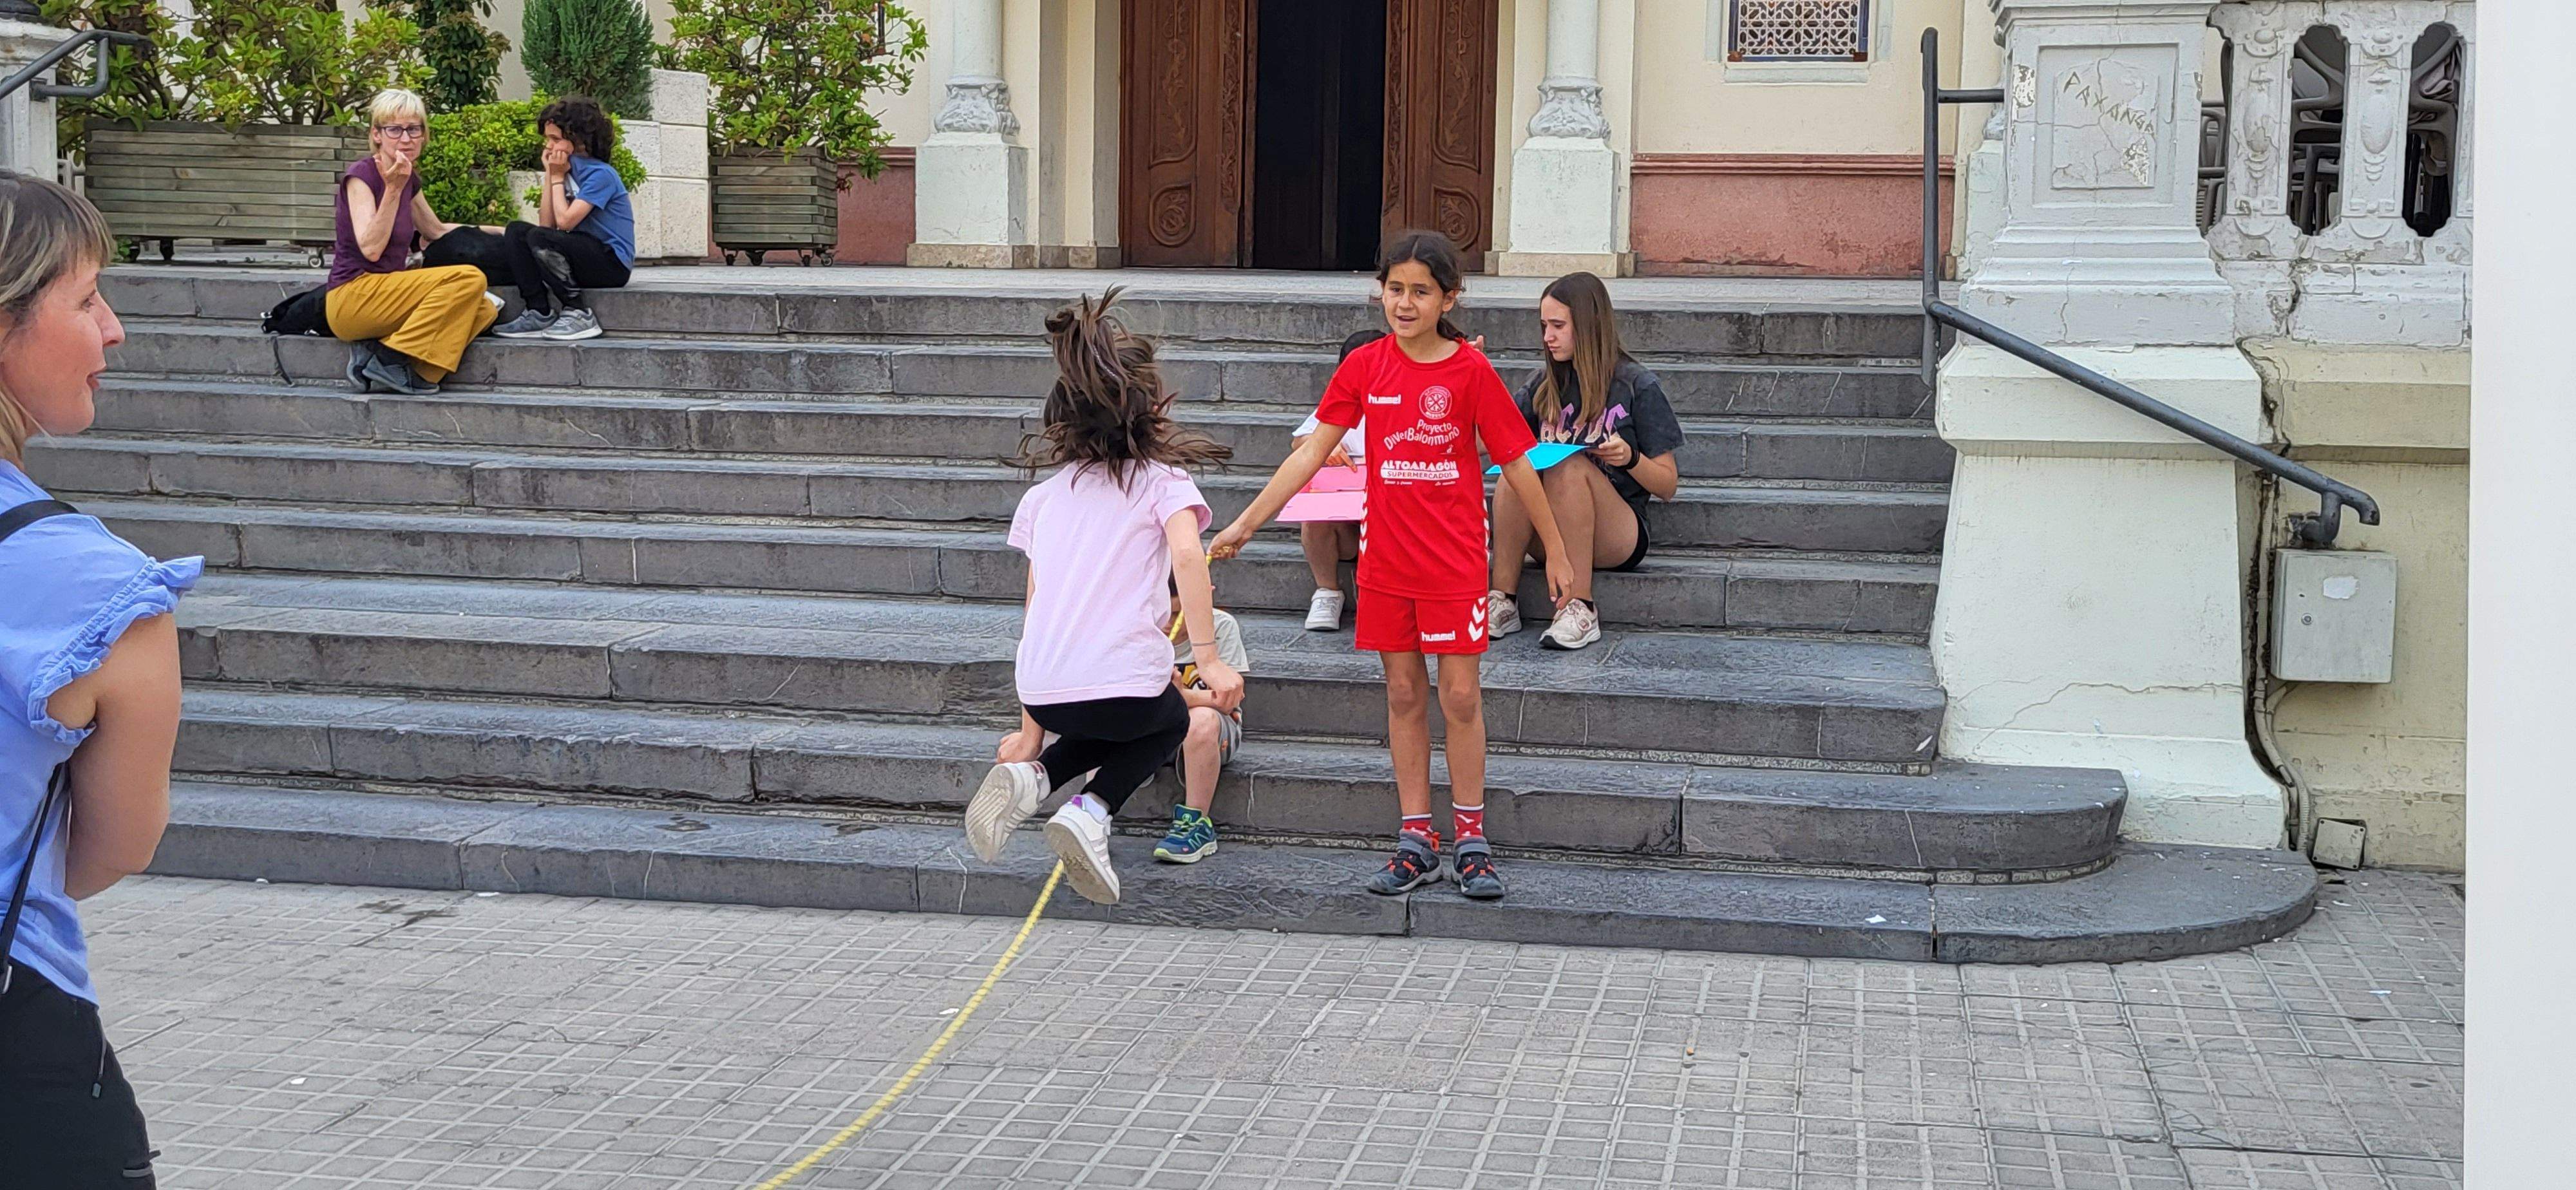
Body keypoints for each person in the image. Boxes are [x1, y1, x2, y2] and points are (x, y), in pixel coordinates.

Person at [1211, 231, 1574, 902]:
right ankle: (1416, 841)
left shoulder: (1469, 371)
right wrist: (1245, 522)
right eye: (1394, 289)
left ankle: (1471, 840)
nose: (1403, 304)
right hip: (1386, 564)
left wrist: (1553, 550)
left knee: (1459, 697)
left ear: (1449, 299)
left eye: (1420, 292)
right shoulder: (1365, 367)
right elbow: (1309, 453)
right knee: (1404, 695)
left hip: (1456, 563)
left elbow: (1519, 465)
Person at [0, 171, 191, 1188]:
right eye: (85, 299)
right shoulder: (101, 592)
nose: (113, 331)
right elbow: (111, 846)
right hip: (25, 1064)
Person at [964, 289, 1244, 904]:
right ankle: (1092, 810)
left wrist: (1030, 732)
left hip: (1042, 687)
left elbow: (1038, 606)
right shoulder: (1163, 482)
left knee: (1114, 719)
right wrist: (1211, 655)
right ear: (1149, 412)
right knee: (1167, 719)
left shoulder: (1042, 499)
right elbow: (1190, 556)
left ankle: (1038, 777)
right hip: (1120, 684)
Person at [1488, 272, 1686, 651]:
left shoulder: (1637, 386)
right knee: (1515, 469)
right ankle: (1503, 600)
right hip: (1551, 535)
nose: (1548, 337)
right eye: (1544, 326)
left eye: (1559, 326)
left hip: (1617, 534)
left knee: (1570, 467)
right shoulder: (1543, 384)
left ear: (1589, 325)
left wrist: (1630, 459)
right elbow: (1488, 439)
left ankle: (1580, 606)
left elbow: (1667, 485)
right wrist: (1470, 376)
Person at [326, 88, 502, 395]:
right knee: (469, 278)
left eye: (414, 129)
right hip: (352, 296)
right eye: (395, 130)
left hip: (389, 294)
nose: (406, 139)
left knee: (484, 308)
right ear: (377, 135)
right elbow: (371, 248)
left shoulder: (408, 179)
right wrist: (393, 190)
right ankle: (388, 357)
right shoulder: (361, 177)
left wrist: (504, 231)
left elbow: (434, 230)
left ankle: (410, 371)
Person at [488, 97, 636, 343]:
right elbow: (547, 225)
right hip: (582, 253)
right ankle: (539, 311)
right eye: (547, 139)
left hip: (612, 264)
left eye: (555, 139)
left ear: (578, 141)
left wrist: (557, 177)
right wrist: (550, 174)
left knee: (538, 236)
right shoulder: (565, 170)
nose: (548, 146)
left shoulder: (601, 175)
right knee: (517, 231)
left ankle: (578, 312)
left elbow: (566, 223)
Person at [1153, 575, 1252, 864]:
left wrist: (1177, 697)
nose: (1169, 623)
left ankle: (1195, 822)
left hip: (1211, 732)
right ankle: (1093, 814)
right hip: (1150, 728)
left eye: (1176, 613)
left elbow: (1228, 701)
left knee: (1203, 720)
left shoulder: (1220, 626)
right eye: (1161, 612)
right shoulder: (1139, 627)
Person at [1292, 329, 1376, 632]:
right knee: (1314, 512)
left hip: (1387, 515)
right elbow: (1300, 441)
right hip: (1345, 518)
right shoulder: (1337, 407)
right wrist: (1326, 446)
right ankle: (1327, 590)